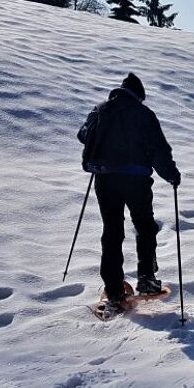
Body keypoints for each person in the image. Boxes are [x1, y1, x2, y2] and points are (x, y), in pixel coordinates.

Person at [78, 72, 181, 311]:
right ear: (139, 96)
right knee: (145, 226)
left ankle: (114, 290)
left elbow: (83, 135)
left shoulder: (99, 110)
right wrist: (172, 175)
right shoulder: (143, 114)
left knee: (112, 231)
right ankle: (146, 278)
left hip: (105, 179)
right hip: (136, 180)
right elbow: (158, 150)